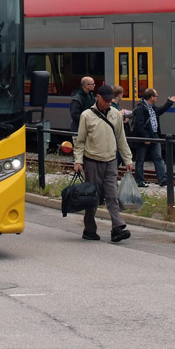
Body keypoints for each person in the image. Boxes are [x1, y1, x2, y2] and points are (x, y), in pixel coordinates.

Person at [73, 84, 134, 242]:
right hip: (92, 160)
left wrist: (127, 159)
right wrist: (78, 161)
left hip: (111, 160)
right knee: (93, 197)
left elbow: (121, 138)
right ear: (98, 97)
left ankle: (117, 227)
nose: (109, 103)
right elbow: (80, 142)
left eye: (110, 100)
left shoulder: (116, 115)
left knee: (112, 194)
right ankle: (89, 229)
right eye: (106, 100)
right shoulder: (86, 115)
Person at [131, 87, 175, 187]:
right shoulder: (141, 109)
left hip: (154, 135)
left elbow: (160, 111)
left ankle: (162, 179)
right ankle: (139, 180)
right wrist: (145, 137)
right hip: (145, 138)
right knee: (140, 159)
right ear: (151, 97)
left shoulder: (152, 107)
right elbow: (139, 125)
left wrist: (169, 103)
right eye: (156, 96)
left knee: (158, 157)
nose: (157, 98)